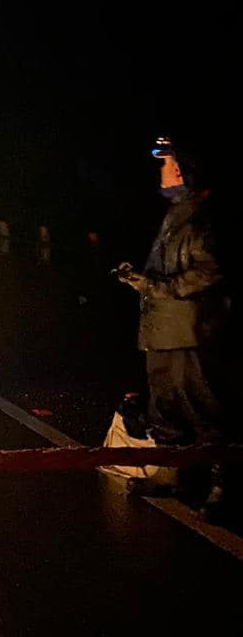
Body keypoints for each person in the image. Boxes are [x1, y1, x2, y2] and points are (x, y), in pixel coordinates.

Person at [114, 135, 232, 520]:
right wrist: (141, 281)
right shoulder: (177, 213)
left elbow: (209, 270)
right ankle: (172, 476)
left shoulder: (202, 216)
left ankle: (222, 487)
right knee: (164, 408)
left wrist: (158, 287)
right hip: (163, 330)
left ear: (183, 170)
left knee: (203, 408)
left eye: (166, 164)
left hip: (189, 332)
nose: (162, 171)